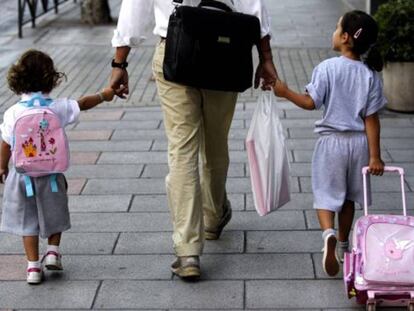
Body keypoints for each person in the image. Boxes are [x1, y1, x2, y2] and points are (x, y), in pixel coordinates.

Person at [110, 0, 278, 280]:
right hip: (227, 46)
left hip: (176, 47)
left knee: (182, 149)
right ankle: (212, 217)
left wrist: (119, 62)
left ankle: (188, 250)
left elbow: (134, 9)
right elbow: (254, 7)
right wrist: (266, 57)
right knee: (215, 142)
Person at [273, 10, 386, 277]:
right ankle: (345, 244)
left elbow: (310, 103)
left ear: (345, 38)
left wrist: (284, 91)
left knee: (326, 194)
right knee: (347, 198)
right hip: (358, 145)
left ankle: (328, 234)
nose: (334, 32)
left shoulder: (326, 68)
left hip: (330, 144)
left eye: (337, 28)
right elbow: (372, 120)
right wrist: (375, 156)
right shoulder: (370, 75)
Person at [0, 49, 115, 284]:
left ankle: (33, 267)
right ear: (51, 80)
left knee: (27, 222)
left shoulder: (13, 112)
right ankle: (52, 251)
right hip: (51, 175)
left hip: (22, 177)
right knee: (55, 212)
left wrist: (2, 167)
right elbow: (82, 103)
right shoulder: (58, 107)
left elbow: (5, 143)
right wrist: (104, 95)